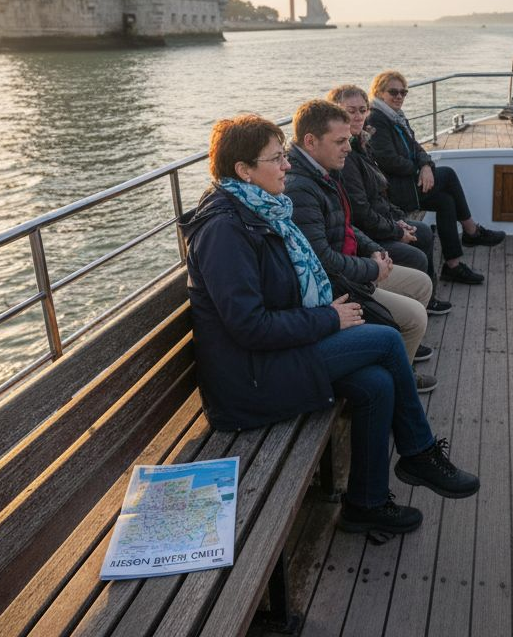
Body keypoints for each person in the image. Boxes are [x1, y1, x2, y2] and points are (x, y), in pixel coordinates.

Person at [178, 114, 479, 534]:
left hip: (273, 359)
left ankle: (366, 504)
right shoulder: (224, 231)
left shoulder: (260, 210)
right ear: (244, 171)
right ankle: (419, 453)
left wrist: (329, 312)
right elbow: (249, 327)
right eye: (276, 158)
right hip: (249, 382)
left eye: (284, 155)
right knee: (388, 341)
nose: (286, 165)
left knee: (377, 384)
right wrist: (328, 319)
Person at [283, 99, 439, 389]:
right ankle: (401, 380)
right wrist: (370, 268)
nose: (349, 147)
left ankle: (403, 358)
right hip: (339, 285)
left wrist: (373, 251)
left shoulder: (324, 172)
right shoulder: (300, 188)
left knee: (421, 284)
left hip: (353, 268)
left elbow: (346, 224)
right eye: (341, 140)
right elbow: (323, 260)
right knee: (415, 316)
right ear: (311, 141)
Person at [365, 70, 505, 285]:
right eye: (393, 91)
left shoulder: (396, 116)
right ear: (378, 93)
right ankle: (471, 230)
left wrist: (426, 165)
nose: (399, 96)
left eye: (404, 92)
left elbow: (416, 146)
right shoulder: (376, 118)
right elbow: (388, 160)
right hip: (396, 191)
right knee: (447, 174)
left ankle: (453, 265)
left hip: (410, 184)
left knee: (446, 202)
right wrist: (418, 169)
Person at [328, 83, 452, 316]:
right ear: (334, 113)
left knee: (424, 230)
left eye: (362, 110)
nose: (357, 116)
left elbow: (376, 196)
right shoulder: (345, 156)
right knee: (416, 250)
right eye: (350, 110)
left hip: (378, 222)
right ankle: (410, 312)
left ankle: (426, 300)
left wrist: (397, 220)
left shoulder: (361, 144)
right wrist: (395, 231)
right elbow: (360, 212)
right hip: (365, 233)